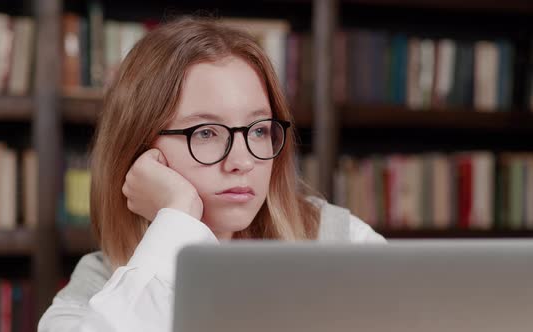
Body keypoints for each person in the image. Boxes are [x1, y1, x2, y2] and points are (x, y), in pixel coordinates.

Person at [38, 17, 385, 332]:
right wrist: (177, 213)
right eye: (205, 132)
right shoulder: (99, 286)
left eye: (258, 130)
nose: (243, 161)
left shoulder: (335, 240)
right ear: (139, 149)